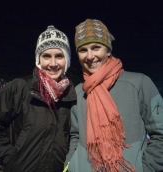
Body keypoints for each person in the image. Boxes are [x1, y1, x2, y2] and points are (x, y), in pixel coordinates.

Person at [64, 19, 163, 172]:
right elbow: (76, 136)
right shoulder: (79, 91)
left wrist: (146, 168)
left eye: (96, 47)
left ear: (108, 50)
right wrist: (70, 165)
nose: (90, 56)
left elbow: (160, 134)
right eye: (83, 50)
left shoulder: (139, 83)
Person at [0, 25, 76, 172]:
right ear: (38, 59)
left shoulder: (71, 95)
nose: (53, 63)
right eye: (47, 56)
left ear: (67, 59)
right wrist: (10, 159)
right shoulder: (20, 87)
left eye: (59, 56)